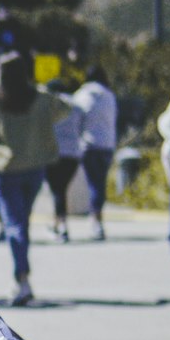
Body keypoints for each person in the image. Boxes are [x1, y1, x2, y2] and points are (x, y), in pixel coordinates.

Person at [0, 52, 68, 306]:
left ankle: (22, 277)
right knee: (22, 222)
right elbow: (65, 109)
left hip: (7, 169)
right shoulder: (41, 98)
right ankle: (22, 277)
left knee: (14, 224)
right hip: (36, 167)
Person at [73, 67, 118, 240]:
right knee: (99, 183)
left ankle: (95, 221)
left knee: (93, 184)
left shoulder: (82, 95)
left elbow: (76, 120)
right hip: (107, 145)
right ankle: (97, 218)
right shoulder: (109, 96)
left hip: (89, 145)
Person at [44, 87, 84, 241]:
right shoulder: (76, 106)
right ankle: (58, 223)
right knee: (61, 190)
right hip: (73, 153)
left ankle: (61, 225)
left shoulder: (48, 105)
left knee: (57, 191)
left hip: (53, 153)